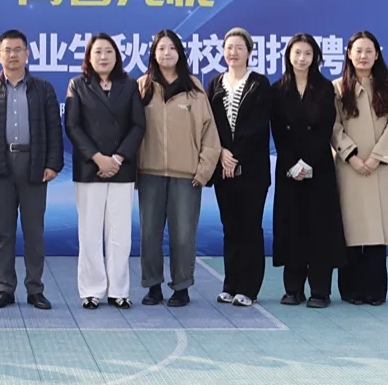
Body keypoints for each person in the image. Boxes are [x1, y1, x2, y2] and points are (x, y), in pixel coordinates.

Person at [0, 29, 63, 311]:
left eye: (18, 50)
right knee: (4, 233)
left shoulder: (43, 89)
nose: (12, 55)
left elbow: (54, 129)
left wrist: (52, 164)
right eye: (7, 50)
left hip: (33, 164)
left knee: (34, 232)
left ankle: (35, 289)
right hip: (0, 165)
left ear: (27, 53)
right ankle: (5, 288)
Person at [136, 29, 220, 307]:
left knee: (183, 235)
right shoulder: (142, 86)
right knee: (149, 234)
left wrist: (203, 170)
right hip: (149, 174)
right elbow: (131, 130)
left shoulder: (194, 88)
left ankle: (181, 286)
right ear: (153, 53)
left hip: (187, 176)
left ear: (180, 53)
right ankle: (153, 285)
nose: (166, 53)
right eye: (161, 48)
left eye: (172, 48)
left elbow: (209, 133)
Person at [64, 33, 146, 310]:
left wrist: (118, 158)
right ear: (89, 56)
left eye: (108, 51)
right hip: (90, 168)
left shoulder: (130, 85)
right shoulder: (78, 85)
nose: (103, 57)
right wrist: (98, 158)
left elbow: (138, 125)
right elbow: (72, 126)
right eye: (97, 52)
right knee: (89, 232)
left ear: (117, 56)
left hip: (122, 169)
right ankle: (91, 290)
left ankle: (118, 290)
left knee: (119, 233)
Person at [270, 34, 346, 308]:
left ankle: (320, 291)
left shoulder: (325, 88)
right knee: (292, 227)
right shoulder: (277, 89)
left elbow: (326, 128)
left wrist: (308, 162)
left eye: (307, 54)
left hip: (319, 168)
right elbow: (278, 130)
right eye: (297, 53)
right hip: (289, 169)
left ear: (315, 58)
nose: (301, 58)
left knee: (320, 229)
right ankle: (293, 289)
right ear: (288, 55)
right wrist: (293, 163)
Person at [331, 30, 388, 306]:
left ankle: (375, 290)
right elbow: (334, 127)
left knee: (375, 231)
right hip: (348, 168)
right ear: (349, 54)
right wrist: (351, 156)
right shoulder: (338, 88)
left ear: (377, 55)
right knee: (351, 230)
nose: (363, 56)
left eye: (368, 51)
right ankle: (350, 290)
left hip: (379, 169)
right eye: (358, 50)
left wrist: (376, 158)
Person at [205, 27, 272, 307]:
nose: (233, 52)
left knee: (250, 228)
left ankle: (249, 288)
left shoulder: (259, 84)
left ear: (249, 52)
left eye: (239, 48)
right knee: (230, 228)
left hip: (252, 170)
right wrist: (221, 153)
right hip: (223, 171)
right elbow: (209, 124)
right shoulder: (215, 83)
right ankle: (230, 285)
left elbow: (258, 126)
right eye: (229, 48)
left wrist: (235, 156)